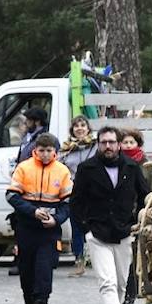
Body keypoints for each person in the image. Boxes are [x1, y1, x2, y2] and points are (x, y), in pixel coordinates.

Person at [70, 126, 151, 304]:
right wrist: (85, 228)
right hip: (98, 234)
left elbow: (146, 196)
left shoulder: (132, 167)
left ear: (118, 144)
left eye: (112, 142)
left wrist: (138, 221)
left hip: (124, 233)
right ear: (98, 144)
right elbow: (76, 202)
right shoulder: (87, 169)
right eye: (104, 142)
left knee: (122, 283)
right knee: (108, 282)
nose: (108, 146)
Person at [6, 132, 71, 304]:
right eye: (41, 150)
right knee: (26, 270)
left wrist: (56, 219)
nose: (44, 154)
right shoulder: (24, 168)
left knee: (44, 271)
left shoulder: (62, 171)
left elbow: (68, 204)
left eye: (49, 151)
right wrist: (33, 212)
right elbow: (12, 196)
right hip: (26, 227)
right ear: (35, 150)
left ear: (55, 152)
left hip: (48, 231)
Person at [61, 116, 98, 275]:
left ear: (88, 128)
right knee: (77, 228)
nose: (80, 128)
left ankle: (98, 260)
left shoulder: (96, 146)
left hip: (94, 193)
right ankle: (79, 262)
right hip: (74, 194)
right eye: (76, 126)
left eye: (83, 125)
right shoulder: (66, 149)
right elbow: (60, 169)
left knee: (95, 227)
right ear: (72, 130)